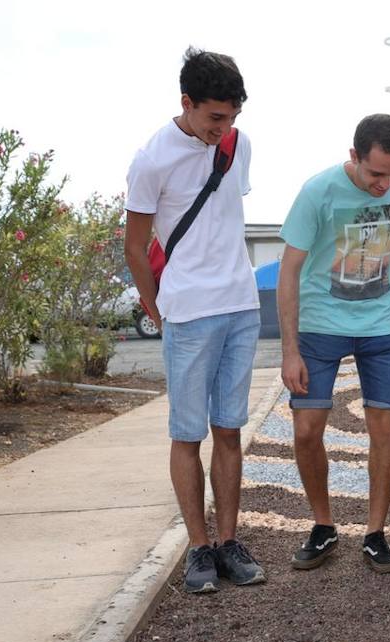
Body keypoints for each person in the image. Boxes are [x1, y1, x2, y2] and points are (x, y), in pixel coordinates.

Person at [124, 47, 265, 594]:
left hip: (240, 305)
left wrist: (228, 133)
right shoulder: (152, 159)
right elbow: (136, 247)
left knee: (229, 429)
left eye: (231, 117)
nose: (224, 128)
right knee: (188, 434)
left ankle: (228, 541)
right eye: (214, 117)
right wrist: (156, 306)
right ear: (186, 103)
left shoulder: (238, 145)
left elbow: (226, 219)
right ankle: (198, 549)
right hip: (188, 311)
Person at [277, 114, 390, 573]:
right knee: (306, 430)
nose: (385, 184)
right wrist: (289, 350)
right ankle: (323, 526)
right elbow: (288, 271)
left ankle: (375, 533)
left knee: (384, 432)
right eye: (375, 173)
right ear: (354, 157)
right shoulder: (317, 192)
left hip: (380, 324)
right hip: (320, 324)